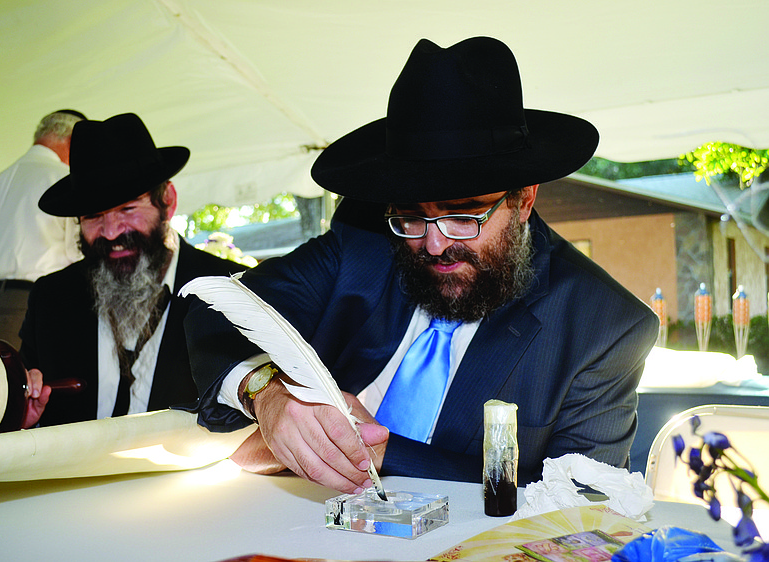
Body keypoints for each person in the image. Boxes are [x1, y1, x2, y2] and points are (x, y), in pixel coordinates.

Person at [184, 37, 659, 494]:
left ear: (524, 198)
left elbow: (581, 501)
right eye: (411, 215)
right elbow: (218, 310)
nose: (433, 244)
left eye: (463, 214)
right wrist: (267, 392)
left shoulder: (604, 326)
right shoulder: (364, 242)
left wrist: (384, 453)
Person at [19, 113, 247, 428]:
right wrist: (23, 414)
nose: (111, 232)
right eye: (93, 216)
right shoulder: (51, 299)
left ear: (168, 200)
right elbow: (25, 404)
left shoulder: (233, 291)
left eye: (128, 208)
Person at [0, 110, 87, 349]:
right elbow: (79, 252)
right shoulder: (60, 179)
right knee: (19, 385)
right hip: (16, 307)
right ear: (72, 141)